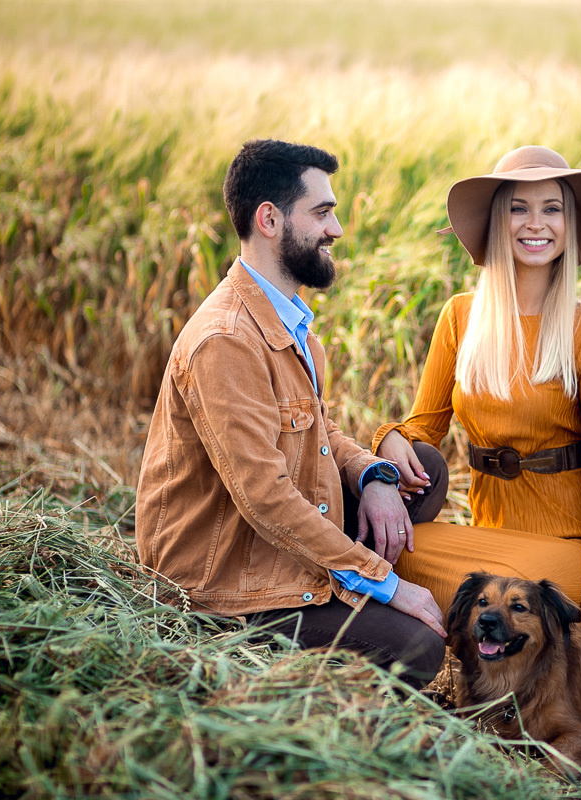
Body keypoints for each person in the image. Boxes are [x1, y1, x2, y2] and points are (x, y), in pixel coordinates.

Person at [135, 139, 450, 687]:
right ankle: (272, 639)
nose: (337, 229)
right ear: (270, 220)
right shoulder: (227, 339)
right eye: (322, 213)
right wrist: (387, 583)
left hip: (270, 533)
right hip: (222, 579)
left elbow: (318, 428)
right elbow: (263, 495)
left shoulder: (287, 320)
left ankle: (348, 584)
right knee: (419, 649)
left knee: (422, 471)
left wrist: (373, 476)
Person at [372, 145, 581, 638]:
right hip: (485, 539)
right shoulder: (460, 316)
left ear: (569, 223)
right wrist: (389, 439)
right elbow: (423, 429)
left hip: (561, 551)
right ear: (497, 221)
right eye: (519, 208)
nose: (536, 224)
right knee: (383, 551)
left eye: (552, 208)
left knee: (509, 593)